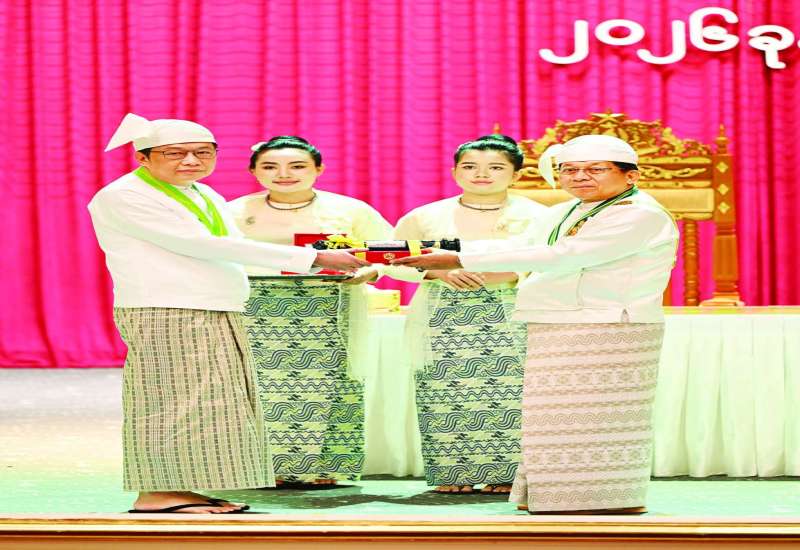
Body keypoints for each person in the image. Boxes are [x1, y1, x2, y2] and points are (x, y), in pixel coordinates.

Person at [88, 114, 368, 514]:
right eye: (175, 153)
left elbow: (230, 244)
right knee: (168, 401)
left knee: (207, 401)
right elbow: (200, 244)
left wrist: (316, 263)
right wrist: (313, 257)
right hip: (167, 307)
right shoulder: (125, 195)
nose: (191, 161)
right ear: (144, 158)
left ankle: (183, 487)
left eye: (202, 152)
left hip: (213, 306)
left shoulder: (203, 193)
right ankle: (155, 492)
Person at [391, 134, 679, 514]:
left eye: (595, 169)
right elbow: (523, 244)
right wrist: (452, 252)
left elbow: (565, 255)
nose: (580, 177)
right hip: (555, 322)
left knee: (595, 421)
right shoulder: (567, 210)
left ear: (630, 176)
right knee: (550, 422)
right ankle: (554, 497)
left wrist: (458, 259)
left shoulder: (639, 213)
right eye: (570, 170)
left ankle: (603, 499)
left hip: (611, 326)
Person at [228, 136, 393, 486]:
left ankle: (325, 467)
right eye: (270, 166)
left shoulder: (350, 210)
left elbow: (386, 253)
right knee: (259, 384)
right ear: (253, 171)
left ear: (319, 169)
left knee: (333, 382)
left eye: (297, 166)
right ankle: (262, 467)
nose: (284, 174)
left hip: (331, 307)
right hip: (255, 308)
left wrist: (371, 272)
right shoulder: (234, 211)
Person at [387, 135, 548, 494]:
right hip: (442, 313)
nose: (481, 174)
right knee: (443, 390)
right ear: (454, 171)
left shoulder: (539, 216)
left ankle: (506, 474)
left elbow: (556, 260)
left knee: (511, 392)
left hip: (513, 310)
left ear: (516, 174)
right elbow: (391, 262)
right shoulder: (425, 216)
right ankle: (451, 472)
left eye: (496, 167)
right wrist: (438, 273)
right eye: (470, 166)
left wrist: (512, 273)